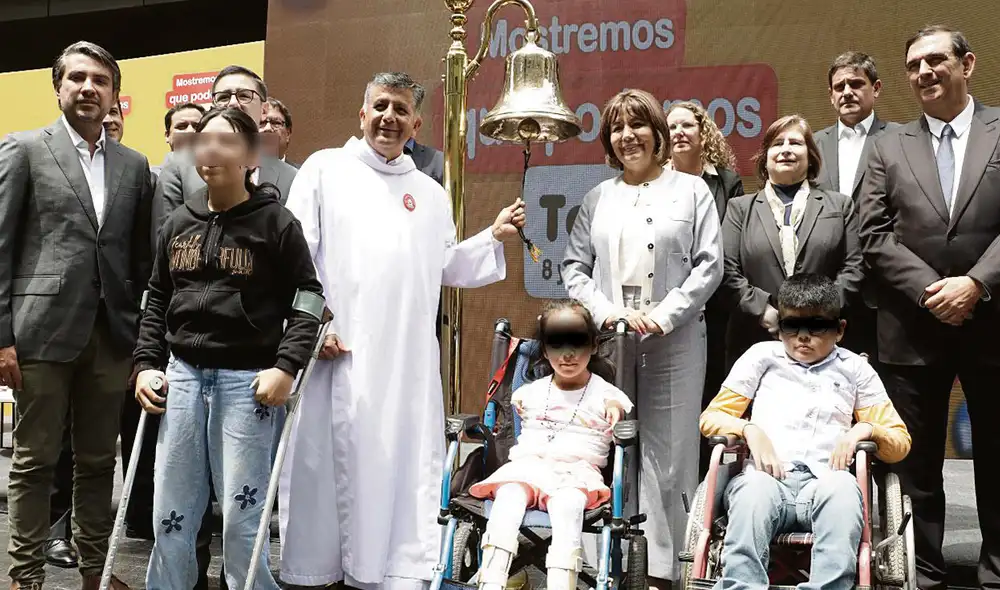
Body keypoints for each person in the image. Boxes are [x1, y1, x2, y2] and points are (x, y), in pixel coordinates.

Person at [277, 71, 525, 590]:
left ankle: (392, 572)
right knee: (330, 468)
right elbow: (294, 258)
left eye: (401, 110)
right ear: (362, 114)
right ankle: (318, 574)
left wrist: (492, 236)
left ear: (416, 123)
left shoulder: (429, 193)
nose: (389, 118)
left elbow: (446, 266)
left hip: (408, 364)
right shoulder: (325, 170)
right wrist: (314, 328)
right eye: (380, 106)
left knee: (401, 467)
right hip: (338, 355)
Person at [131, 106, 324, 590]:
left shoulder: (276, 223)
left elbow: (310, 297)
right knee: (169, 514)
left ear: (250, 155)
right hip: (182, 377)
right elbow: (157, 298)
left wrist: (286, 366)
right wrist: (145, 365)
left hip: (248, 385)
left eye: (226, 141)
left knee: (243, 517)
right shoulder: (179, 221)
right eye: (203, 140)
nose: (210, 149)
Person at [0, 41, 153, 590]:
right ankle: (24, 576)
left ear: (114, 94)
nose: (89, 88)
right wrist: (2, 338)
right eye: (78, 78)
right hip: (39, 334)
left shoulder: (135, 166)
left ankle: (97, 573)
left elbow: (140, 261)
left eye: (101, 81)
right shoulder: (21, 149)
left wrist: (140, 340)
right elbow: (2, 247)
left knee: (96, 462)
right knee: (34, 462)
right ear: (59, 87)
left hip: (110, 338)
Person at [562, 89, 722, 589]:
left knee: (670, 456)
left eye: (637, 126)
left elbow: (709, 265)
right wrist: (606, 312)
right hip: (613, 342)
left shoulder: (692, 191)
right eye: (616, 128)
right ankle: (603, 562)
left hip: (674, 341)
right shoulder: (598, 196)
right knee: (608, 448)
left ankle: (669, 571)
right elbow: (574, 267)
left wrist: (666, 314)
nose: (627, 136)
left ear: (658, 134)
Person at [859, 25, 1000, 590]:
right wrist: (933, 289)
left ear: (967, 64)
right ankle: (924, 570)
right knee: (915, 462)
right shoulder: (886, 143)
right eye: (914, 64)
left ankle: (995, 573)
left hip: (992, 321)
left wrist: (975, 283)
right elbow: (872, 234)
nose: (924, 73)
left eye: (936, 60)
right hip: (912, 326)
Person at [700, 273, 911, 590]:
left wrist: (864, 429)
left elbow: (898, 443)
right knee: (752, 493)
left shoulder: (855, 369)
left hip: (825, 481)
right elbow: (711, 418)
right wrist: (748, 428)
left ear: (839, 330)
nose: (802, 337)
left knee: (842, 490)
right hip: (767, 479)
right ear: (779, 326)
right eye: (791, 327)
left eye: (817, 328)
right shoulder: (760, 358)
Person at [468, 300, 633, 590]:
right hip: (528, 469)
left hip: (576, 473)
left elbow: (616, 404)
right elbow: (515, 409)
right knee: (507, 497)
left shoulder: (605, 393)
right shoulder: (528, 393)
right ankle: (491, 581)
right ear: (544, 349)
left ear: (594, 346)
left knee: (569, 506)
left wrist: (613, 410)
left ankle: (562, 582)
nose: (567, 354)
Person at [720, 114, 863, 366]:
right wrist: (764, 312)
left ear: (811, 157)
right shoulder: (739, 208)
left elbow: (854, 267)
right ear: (765, 157)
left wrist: (818, 314)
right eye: (777, 143)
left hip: (824, 342)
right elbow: (726, 270)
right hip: (755, 338)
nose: (786, 149)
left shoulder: (840, 206)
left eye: (795, 143)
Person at [664, 100, 745, 477]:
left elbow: (728, 243)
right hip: (662, 308)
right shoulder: (653, 180)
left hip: (714, 309)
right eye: (672, 127)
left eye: (687, 126)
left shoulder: (727, 182)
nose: (679, 132)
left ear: (703, 134)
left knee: (708, 394)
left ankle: (702, 484)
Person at [813, 51, 899, 360]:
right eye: (839, 87)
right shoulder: (811, 145)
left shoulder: (902, 139)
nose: (847, 92)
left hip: (885, 291)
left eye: (856, 84)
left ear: (875, 88)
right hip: (826, 289)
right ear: (831, 96)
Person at [153, 65, 298, 228]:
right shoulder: (178, 163)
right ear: (214, 106)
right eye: (224, 97)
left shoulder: (291, 176)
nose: (233, 104)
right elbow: (164, 238)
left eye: (244, 96)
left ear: (264, 109)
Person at [261, 97, 295, 166]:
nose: (268, 128)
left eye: (276, 123)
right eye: (261, 122)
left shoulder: (302, 174)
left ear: (288, 134)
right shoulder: (235, 175)